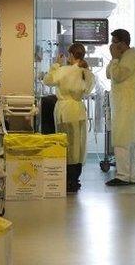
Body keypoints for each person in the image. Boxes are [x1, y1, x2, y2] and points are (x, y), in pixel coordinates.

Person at [42, 43, 95, 193]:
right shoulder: (87, 72)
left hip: (65, 111)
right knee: (78, 146)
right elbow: (88, 88)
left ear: (71, 55)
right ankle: (75, 179)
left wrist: (56, 65)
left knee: (66, 145)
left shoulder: (63, 70)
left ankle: (67, 179)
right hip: (78, 111)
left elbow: (47, 80)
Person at [105, 29, 135, 186]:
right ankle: (130, 176)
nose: (112, 46)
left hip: (126, 103)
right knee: (125, 139)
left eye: (114, 42)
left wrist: (115, 58)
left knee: (122, 138)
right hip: (122, 103)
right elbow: (109, 74)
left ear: (122, 43)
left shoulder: (131, 56)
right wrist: (114, 59)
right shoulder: (121, 57)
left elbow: (119, 75)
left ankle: (123, 175)